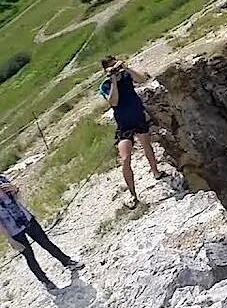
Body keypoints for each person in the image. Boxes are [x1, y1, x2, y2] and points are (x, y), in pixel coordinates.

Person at [98, 56, 164, 208]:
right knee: (125, 158)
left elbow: (142, 79)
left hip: (137, 117)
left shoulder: (127, 76)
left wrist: (126, 68)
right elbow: (113, 102)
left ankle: (155, 171)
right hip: (124, 125)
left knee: (147, 146)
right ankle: (133, 194)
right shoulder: (106, 85)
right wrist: (113, 79)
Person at [0, 173, 84, 290]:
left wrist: (15, 189)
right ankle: (44, 280)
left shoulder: (2, 179)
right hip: (13, 230)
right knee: (29, 256)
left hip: (27, 219)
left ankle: (68, 262)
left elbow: (19, 198)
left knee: (46, 243)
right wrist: (10, 240)